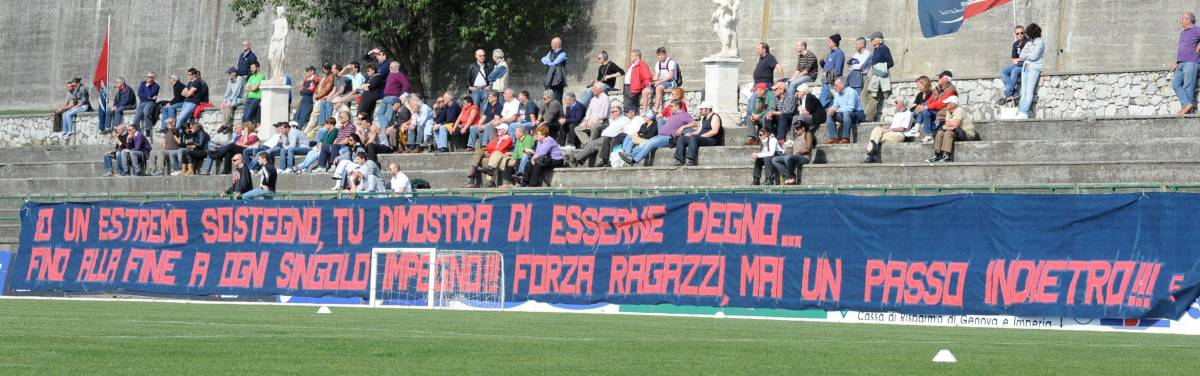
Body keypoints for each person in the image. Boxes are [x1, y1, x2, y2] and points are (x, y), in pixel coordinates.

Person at [619, 100, 691, 165]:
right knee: (646, 143)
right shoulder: (674, 115)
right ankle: (630, 155)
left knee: (650, 144)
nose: (670, 108)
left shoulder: (684, 115)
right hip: (661, 136)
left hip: (669, 138)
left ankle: (634, 160)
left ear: (677, 106)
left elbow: (694, 123)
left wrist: (683, 127)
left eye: (671, 106)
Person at [925, 96, 975, 163]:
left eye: (947, 103)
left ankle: (948, 156)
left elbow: (954, 126)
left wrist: (946, 126)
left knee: (948, 133)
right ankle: (937, 155)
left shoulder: (959, 111)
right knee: (940, 132)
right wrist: (946, 126)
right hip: (957, 132)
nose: (945, 105)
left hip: (967, 134)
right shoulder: (949, 111)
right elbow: (947, 125)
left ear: (953, 104)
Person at [864, 97, 912, 163]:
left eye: (896, 102)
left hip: (899, 135)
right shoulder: (897, 113)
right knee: (877, 129)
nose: (895, 104)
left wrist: (890, 129)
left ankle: (871, 155)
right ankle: (873, 154)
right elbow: (894, 126)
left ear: (901, 103)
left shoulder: (908, 113)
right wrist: (887, 128)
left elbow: (903, 128)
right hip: (891, 132)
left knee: (875, 137)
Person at [464, 123, 513, 188]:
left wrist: (492, 148)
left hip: (497, 156)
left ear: (505, 131)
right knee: (478, 151)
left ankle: (472, 180)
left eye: (499, 129)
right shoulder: (497, 138)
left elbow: (500, 149)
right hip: (491, 154)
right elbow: (488, 146)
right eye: (497, 129)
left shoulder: (508, 139)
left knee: (492, 156)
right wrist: (491, 148)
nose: (497, 130)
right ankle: (474, 170)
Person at [674, 101, 722, 166]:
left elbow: (714, 131)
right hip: (700, 138)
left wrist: (701, 136)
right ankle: (679, 160)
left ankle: (692, 160)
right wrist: (691, 134)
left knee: (694, 138)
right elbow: (699, 130)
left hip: (711, 139)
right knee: (681, 138)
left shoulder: (715, 117)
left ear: (707, 109)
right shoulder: (704, 118)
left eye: (701, 109)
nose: (700, 111)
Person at [916, 71, 958, 142]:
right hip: (936, 111)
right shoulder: (938, 88)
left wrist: (925, 107)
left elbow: (940, 104)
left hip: (944, 113)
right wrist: (921, 106)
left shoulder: (950, 90)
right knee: (921, 112)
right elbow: (930, 100)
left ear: (946, 79)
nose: (938, 79)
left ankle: (917, 128)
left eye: (940, 77)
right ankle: (927, 135)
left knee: (925, 111)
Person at [1016, 23, 1045, 119]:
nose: (1026, 34)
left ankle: (1024, 112)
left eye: (1027, 32)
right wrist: (1028, 54)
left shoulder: (1040, 42)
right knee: (1023, 91)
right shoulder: (1028, 43)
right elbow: (1021, 56)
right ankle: (1021, 111)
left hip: (1034, 69)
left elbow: (1034, 56)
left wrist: (1027, 54)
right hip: (1025, 68)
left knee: (1029, 92)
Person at [863, 32, 894, 122]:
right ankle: (867, 113)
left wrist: (880, 66)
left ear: (878, 40)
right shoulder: (876, 49)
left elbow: (891, 63)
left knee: (874, 97)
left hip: (879, 77)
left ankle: (867, 118)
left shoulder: (885, 49)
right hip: (872, 75)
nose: (871, 41)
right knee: (863, 95)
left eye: (872, 39)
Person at [772, 119, 814, 185]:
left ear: (803, 128)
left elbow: (808, 149)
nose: (795, 131)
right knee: (775, 159)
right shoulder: (797, 136)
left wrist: (798, 152)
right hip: (794, 157)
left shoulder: (808, 134)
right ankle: (789, 175)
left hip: (804, 157)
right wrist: (786, 148)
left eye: (797, 129)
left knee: (788, 158)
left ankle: (792, 177)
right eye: (795, 129)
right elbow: (793, 151)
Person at [1174, 12, 1200, 115]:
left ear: (1189, 20)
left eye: (1183, 18)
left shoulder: (1197, 30)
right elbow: (1182, 48)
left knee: (1188, 86)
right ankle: (1187, 104)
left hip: (1191, 62)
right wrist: (1177, 62)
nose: (1181, 20)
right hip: (1181, 63)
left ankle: (1188, 112)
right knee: (1175, 84)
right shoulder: (1183, 32)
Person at [826, 77, 865, 144]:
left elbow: (851, 108)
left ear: (842, 85)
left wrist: (837, 110)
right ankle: (833, 138)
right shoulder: (837, 94)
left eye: (836, 85)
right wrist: (831, 109)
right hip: (845, 115)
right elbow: (835, 105)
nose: (834, 87)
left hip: (857, 114)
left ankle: (845, 138)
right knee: (830, 114)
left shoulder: (851, 92)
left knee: (846, 113)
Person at [998, 25, 1028, 105]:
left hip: (1026, 65)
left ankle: (1005, 95)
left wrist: (1019, 60)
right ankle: (1013, 92)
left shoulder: (1028, 42)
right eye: (1017, 33)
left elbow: (1028, 58)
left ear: (1024, 33)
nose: (1020, 35)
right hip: (1018, 64)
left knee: (1014, 71)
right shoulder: (1015, 44)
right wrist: (1019, 60)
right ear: (1015, 34)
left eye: (1021, 33)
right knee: (1002, 72)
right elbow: (1013, 59)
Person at [378, 61, 411, 127]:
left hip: (393, 97)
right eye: (389, 67)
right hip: (386, 97)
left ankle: (387, 130)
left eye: (391, 67)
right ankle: (385, 128)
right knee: (379, 114)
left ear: (396, 67)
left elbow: (406, 84)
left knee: (389, 117)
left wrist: (405, 94)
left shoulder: (399, 74)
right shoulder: (390, 75)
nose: (389, 69)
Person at [214, 67, 244, 134]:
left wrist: (229, 102)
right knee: (224, 106)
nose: (229, 74)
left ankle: (226, 125)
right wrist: (224, 101)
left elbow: (236, 92)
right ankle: (226, 125)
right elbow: (227, 92)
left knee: (229, 106)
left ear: (234, 73)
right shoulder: (230, 80)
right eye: (228, 73)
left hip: (240, 99)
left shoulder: (239, 79)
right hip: (233, 99)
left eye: (230, 73)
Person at [819, 34, 845, 107]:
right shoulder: (830, 53)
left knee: (822, 101)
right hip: (826, 81)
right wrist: (823, 64)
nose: (827, 43)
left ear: (834, 43)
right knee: (828, 102)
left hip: (831, 82)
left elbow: (838, 70)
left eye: (829, 42)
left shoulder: (839, 53)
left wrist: (828, 79)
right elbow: (827, 67)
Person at [651, 47, 680, 112]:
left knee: (658, 87)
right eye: (659, 55)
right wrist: (652, 82)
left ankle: (656, 108)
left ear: (665, 54)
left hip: (671, 82)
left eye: (662, 54)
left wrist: (659, 82)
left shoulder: (670, 62)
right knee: (645, 91)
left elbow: (670, 77)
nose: (660, 56)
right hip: (662, 81)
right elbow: (656, 76)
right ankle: (644, 111)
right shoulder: (658, 64)